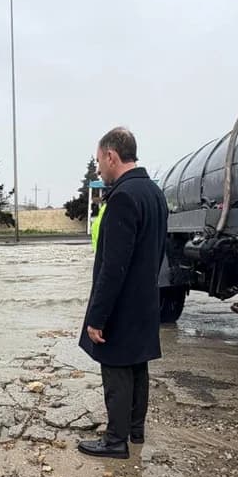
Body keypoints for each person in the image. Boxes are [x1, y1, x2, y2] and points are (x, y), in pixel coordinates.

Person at [77, 128, 167, 459]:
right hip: (145, 298)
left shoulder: (123, 197)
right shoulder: (154, 193)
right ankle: (135, 430)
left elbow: (112, 267)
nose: (99, 168)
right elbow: (157, 253)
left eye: (100, 161)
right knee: (137, 364)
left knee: (115, 366)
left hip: (122, 304)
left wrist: (97, 317)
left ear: (112, 156)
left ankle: (115, 440)